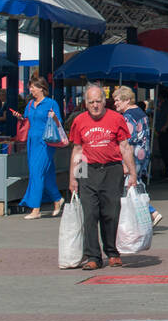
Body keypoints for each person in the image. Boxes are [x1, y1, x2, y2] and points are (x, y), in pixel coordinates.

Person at [68, 83, 137, 270]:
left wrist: (132, 173)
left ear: (105, 101)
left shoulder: (116, 119)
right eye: (91, 102)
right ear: (85, 103)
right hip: (87, 170)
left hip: (112, 170)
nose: (95, 105)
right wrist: (73, 178)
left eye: (99, 101)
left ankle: (112, 252)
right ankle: (93, 256)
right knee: (90, 214)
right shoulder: (79, 121)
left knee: (110, 213)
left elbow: (125, 147)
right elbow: (77, 150)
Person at [13, 74, 64, 220]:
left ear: (42, 88)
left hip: (45, 142)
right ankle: (57, 199)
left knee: (36, 173)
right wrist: (20, 118)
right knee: (45, 173)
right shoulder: (30, 104)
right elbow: (27, 120)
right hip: (32, 141)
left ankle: (36, 209)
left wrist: (53, 116)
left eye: (33, 87)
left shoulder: (51, 103)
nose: (31, 89)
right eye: (30, 87)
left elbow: (59, 121)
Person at [113, 86, 162, 228]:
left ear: (127, 100)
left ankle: (150, 212)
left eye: (118, 100)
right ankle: (146, 215)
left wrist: (124, 162)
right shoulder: (141, 113)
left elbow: (127, 140)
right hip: (142, 154)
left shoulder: (128, 117)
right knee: (135, 183)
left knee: (130, 185)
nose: (115, 103)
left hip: (132, 156)